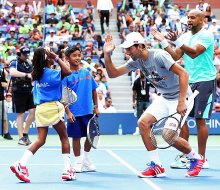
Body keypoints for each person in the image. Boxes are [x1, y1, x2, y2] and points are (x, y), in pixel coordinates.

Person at [103, 31, 205, 177]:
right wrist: (107, 54)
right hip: (165, 97)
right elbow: (113, 73)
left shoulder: (158, 55)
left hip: (182, 97)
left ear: (140, 46)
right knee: (143, 123)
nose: (127, 52)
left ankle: (196, 158)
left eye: (130, 48)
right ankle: (156, 166)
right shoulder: (136, 61)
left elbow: (184, 74)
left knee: (168, 135)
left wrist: (181, 101)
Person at [151, 9, 216, 169]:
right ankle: (188, 155)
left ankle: (202, 158)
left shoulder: (206, 35)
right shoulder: (186, 37)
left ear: (202, 20)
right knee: (183, 120)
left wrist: (177, 41)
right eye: (188, 17)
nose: (189, 20)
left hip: (205, 81)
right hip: (188, 82)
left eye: (193, 17)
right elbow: (174, 56)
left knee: (200, 120)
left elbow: (194, 53)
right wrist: (163, 42)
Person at [10, 47, 76, 183]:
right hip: (53, 107)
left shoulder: (35, 73)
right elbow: (68, 71)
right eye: (50, 55)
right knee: (64, 137)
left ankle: (21, 164)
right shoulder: (52, 73)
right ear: (48, 59)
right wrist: (56, 57)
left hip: (40, 109)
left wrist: (50, 57)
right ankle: (67, 169)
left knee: (41, 140)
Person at [62, 46, 99, 173]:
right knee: (76, 137)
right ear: (67, 59)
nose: (77, 58)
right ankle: (78, 161)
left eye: (79, 55)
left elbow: (94, 90)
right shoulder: (66, 76)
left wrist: (96, 107)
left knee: (90, 137)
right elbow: (63, 96)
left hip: (88, 111)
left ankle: (85, 159)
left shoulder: (87, 73)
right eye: (74, 55)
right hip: (74, 112)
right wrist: (68, 112)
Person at [9, 46, 35, 146]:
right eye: (24, 54)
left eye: (28, 54)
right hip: (19, 90)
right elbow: (12, 72)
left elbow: (32, 73)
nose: (26, 56)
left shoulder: (28, 62)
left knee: (33, 111)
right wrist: (26, 75)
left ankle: (25, 133)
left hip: (29, 90)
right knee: (21, 114)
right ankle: (20, 138)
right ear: (20, 54)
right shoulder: (14, 62)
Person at [132, 70, 151, 135]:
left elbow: (155, 85)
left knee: (149, 116)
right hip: (139, 101)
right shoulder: (136, 81)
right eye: (141, 72)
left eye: (144, 72)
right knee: (139, 117)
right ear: (140, 72)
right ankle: (139, 130)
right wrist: (133, 102)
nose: (143, 73)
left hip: (147, 101)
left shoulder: (148, 80)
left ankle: (149, 130)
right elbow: (134, 93)